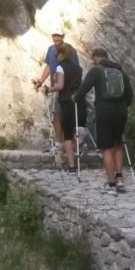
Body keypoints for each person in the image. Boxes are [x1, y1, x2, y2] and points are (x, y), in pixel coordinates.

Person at [74, 48, 133, 195]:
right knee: (118, 143)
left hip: (104, 111)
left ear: (95, 59)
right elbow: (130, 96)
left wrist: (74, 98)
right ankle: (120, 179)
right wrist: (120, 107)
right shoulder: (121, 72)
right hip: (121, 112)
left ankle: (111, 184)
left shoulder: (96, 71)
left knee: (106, 147)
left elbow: (82, 90)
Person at [34, 30, 80, 147]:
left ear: (63, 36)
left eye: (58, 36)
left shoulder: (70, 50)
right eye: (54, 35)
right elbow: (49, 66)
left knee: (67, 116)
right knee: (56, 115)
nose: (56, 38)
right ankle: (60, 142)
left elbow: (75, 69)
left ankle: (73, 143)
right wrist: (40, 81)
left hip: (67, 89)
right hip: (56, 88)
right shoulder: (50, 49)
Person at [50, 43, 86, 174]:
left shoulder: (60, 67)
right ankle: (80, 148)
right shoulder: (79, 68)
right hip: (79, 101)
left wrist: (48, 89)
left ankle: (72, 166)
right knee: (77, 129)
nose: (56, 57)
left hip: (66, 102)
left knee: (67, 134)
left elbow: (60, 86)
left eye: (57, 54)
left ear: (61, 54)